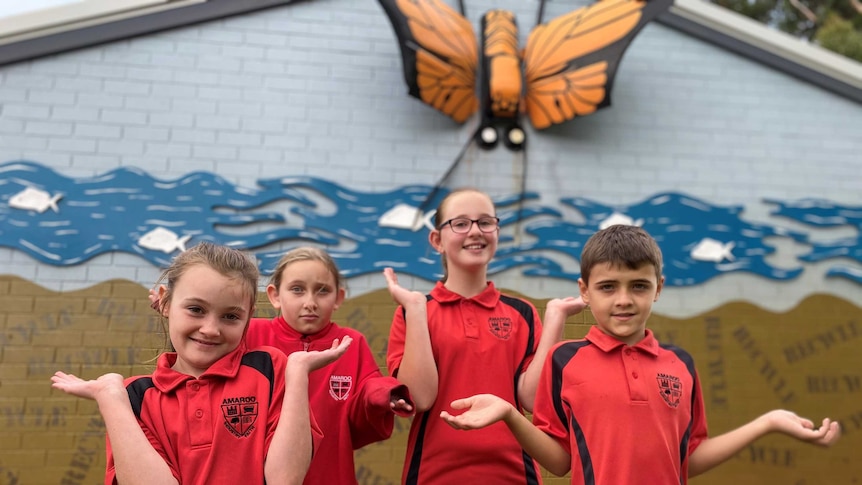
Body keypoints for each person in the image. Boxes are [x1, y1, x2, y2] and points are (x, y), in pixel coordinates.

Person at [439, 225, 842, 485]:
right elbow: (560, 461)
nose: (624, 300)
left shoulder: (680, 364)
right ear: (584, 291)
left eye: (638, 286)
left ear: (659, 288)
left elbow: (689, 458)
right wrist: (510, 413)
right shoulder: (564, 361)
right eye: (608, 287)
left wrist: (767, 422)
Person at [51, 242, 351, 485]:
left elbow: (285, 479)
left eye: (230, 316)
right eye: (196, 309)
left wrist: (298, 372)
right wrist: (110, 398)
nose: (211, 328)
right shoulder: (135, 398)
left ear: (249, 319)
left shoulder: (270, 370)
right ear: (165, 303)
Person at [383, 187, 586, 484]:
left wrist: (555, 319)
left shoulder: (523, 314)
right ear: (437, 240)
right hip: (433, 474)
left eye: (485, 222)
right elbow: (420, 397)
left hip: (515, 474)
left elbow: (531, 398)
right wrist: (414, 308)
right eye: (461, 223)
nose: (475, 231)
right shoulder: (413, 312)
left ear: (497, 232)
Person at [244, 247, 415, 485]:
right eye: (297, 289)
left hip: (331, 474)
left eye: (322, 291)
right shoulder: (251, 334)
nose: (310, 302)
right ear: (274, 295)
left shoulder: (351, 343)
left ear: (339, 298)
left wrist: (384, 395)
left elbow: (366, 395)